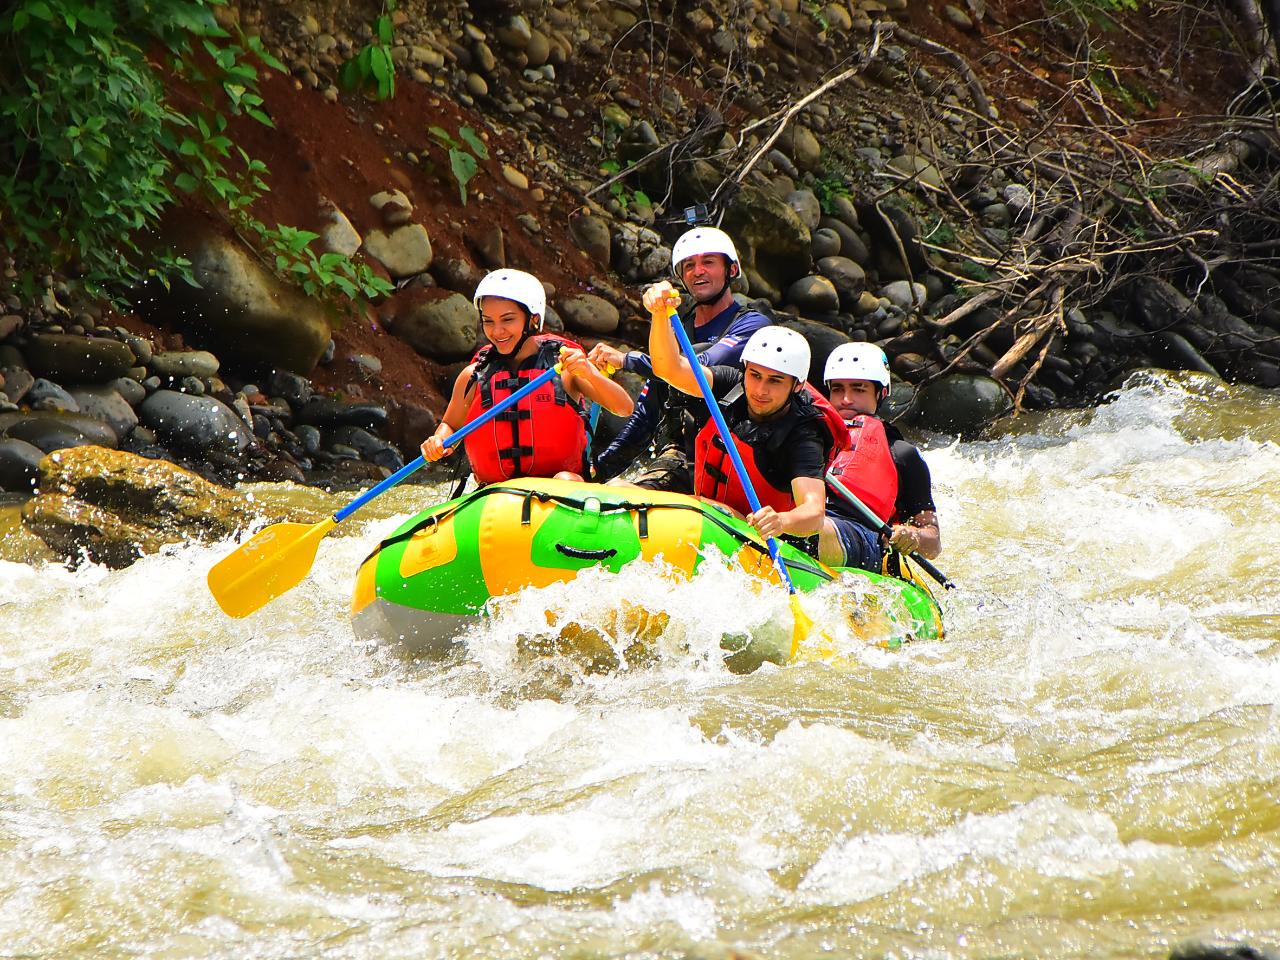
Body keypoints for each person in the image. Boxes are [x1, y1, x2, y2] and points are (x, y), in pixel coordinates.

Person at [643, 282, 847, 552]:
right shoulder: (732, 384)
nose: (760, 390)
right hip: (707, 516)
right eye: (755, 375)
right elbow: (669, 369)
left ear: (797, 385)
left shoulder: (803, 433)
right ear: (745, 369)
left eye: (775, 381)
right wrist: (659, 314)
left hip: (760, 540)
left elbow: (813, 512)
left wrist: (781, 520)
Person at [588, 226, 770, 489]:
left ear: (730, 270)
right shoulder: (676, 326)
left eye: (708, 262)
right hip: (679, 453)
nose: (698, 271)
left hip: (729, 454)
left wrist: (628, 359)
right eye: (689, 266)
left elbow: (696, 366)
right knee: (614, 487)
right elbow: (649, 407)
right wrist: (601, 467)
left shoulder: (752, 324)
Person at [421, 268, 633, 484]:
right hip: (497, 497)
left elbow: (624, 407)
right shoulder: (473, 376)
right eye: (488, 321)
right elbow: (451, 426)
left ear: (533, 319)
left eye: (507, 319)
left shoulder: (565, 367)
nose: (497, 331)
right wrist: (438, 441)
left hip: (562, 488)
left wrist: (591, 374)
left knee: (565, 480)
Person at [817, 343, 942, 572]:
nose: (846, 399)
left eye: (858, 389)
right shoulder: (808, 436)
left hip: (863, 538)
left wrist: (912, 534)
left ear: (881, 393)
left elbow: (933, 542)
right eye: (837, 389)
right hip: (807, 517)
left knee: (811, 529)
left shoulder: (902, 454)